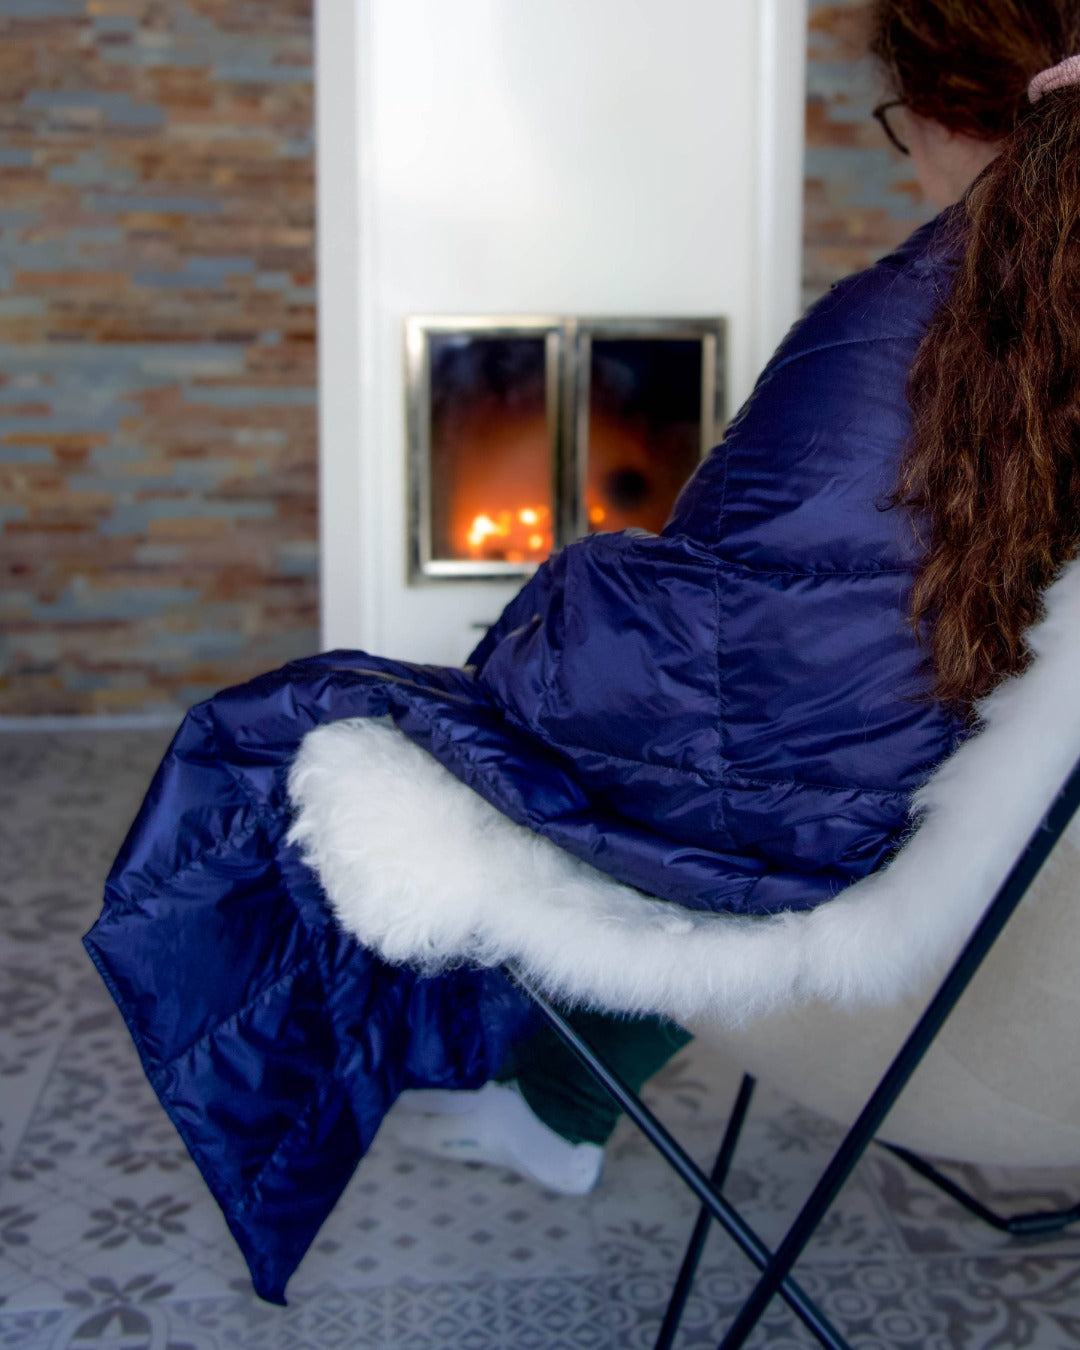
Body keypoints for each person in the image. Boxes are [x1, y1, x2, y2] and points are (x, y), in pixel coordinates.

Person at [83, 0, 1080, 1306]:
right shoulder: (1001, 332)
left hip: (901, 943)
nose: (905, 161)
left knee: (298, 744)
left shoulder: (897, 343)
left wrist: (539, 628)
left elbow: (717, 723)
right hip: (1024, 928)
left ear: (968, 111)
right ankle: (549, 1104)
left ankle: (534, 1099)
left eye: (897, 124)